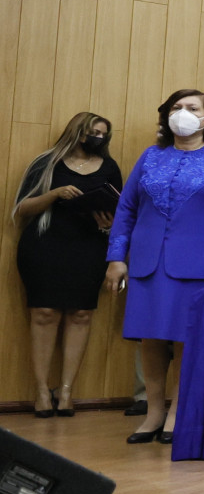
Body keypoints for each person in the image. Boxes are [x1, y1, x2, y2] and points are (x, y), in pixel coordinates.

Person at [104, 91, 204, 443]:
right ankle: (154, 412)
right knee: (150, 338)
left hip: (198, 265)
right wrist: (116, 257)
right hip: (147, 264)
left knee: (188, 338)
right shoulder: (151, 156)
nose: (183, 113)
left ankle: (178, 412)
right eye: (176, 108)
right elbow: (126, 209)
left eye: (192, 108)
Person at [14, 112, 120, 416]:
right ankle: (41, 391)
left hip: (90, 246)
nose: (98, 138)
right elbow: (22, 208)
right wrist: (55, 194)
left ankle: (66, 391)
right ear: (77, 131)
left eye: (103, 134)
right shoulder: (46, 162)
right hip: (45, 244)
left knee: (81, 314)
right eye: (93, 132)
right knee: (44, 313)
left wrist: (108, 224)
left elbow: (120, 212)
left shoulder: (110, 167)